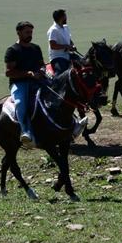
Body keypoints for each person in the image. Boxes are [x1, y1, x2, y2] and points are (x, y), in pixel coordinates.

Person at [5, 21, 45, 149]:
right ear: (19, 32)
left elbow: (41, 65)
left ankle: (73, 123)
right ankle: (25, 131)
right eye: (27, 32)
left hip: (38, 80)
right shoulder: (12, 50)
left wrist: (42, 71)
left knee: (60, 93)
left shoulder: (36, 48)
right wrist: (28, 74)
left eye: (31, 32)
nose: (30, 35)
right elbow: (9, 72)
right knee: (21, 103)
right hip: (19, 83)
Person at [47, 9, 77, 74]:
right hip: (57, 57)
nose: (66, 18)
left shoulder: (66, 27)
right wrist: (66, 46)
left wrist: (72, 46)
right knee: (61, 73)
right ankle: (55, 82)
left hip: (68, 55)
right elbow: (53, 46)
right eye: (65, 16)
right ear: (61, 18)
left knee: (84, 62)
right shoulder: (53, 30)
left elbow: (69, 40)